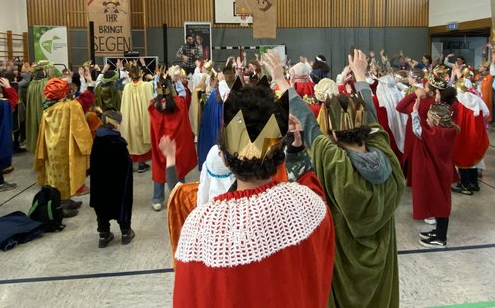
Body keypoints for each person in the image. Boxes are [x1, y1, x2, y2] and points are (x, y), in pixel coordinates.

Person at [171, 76, 335, 308]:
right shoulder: (309, 206)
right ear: (280, 155)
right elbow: (313, 189)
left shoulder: (199, 229)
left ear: (224, 157)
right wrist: (298, 154)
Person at [265, 48, 405, 308]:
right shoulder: (388, 158)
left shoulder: (336, 163)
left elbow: (307, 122)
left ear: (336, 135)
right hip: (380, 269)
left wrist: (280, 79)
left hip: (344, 270)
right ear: (366, 131)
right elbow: (372, 118)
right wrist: (361, 75)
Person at [34, 78, 93, 216]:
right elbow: (83, 102)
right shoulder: (67, 107)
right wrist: (90, 86)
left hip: (52, 146)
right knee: (64, 175)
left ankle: (66, 200)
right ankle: (60, 207)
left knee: (57, 175)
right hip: (64, 147)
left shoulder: (48, 106)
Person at [411, 96, 460, 248]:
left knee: (440, 203)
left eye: (429, 118)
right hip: (443, 170)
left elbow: (417, 131)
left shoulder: (438, 134)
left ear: (437, 121)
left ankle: (440, 238)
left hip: (438, 172)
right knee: (438, 201)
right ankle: (438, 231)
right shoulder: (449, 130)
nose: (426, 120)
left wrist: (414, 112)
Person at [148, 77, 197, 211]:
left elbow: (156, 95)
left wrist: (157, 81)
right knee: (178, 168)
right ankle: (179, 198)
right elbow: (184, 94)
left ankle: (157, 199)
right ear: (171, 89)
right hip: (176, 145)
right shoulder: (179, 104)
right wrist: (178, 81)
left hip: (160, 144)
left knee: (159, 168)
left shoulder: (153, 106)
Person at [89, 110, 135, 248]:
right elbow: (126, 168)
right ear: (116, 125)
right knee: (122, 202)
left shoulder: (97, 140)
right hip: (118, 185)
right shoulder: (118, 143)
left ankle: (104, 234)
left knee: (102, 206)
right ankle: (125, 232)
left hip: (100, 185)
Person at [120, 64, 153, 173]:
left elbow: (124, 104)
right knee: (141, 139)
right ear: (141, 74)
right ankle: (141, 165)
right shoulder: (146, 85)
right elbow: (150, 101)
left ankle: (130, 164)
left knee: (132, 139)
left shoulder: (127, 87)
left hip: (130, 117)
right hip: (142, 116)